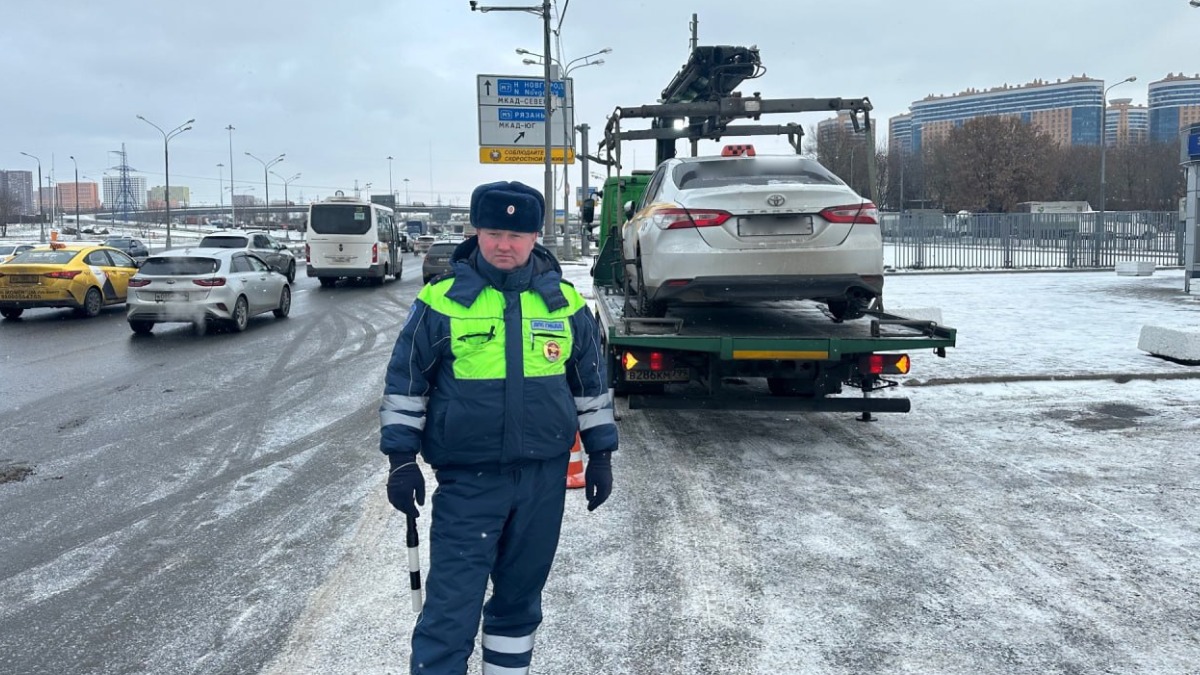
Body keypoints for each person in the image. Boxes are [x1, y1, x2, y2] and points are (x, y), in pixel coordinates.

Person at [379, 180, 618, 675]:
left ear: (536, 236)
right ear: (477, 232)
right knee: (450, 612)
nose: (503, 245)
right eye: (492, 232)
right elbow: (405, 387)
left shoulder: (565, 305)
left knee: (518, 605)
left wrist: (601, 454)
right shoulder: (441, 302)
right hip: (470, 483)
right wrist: (401, 461)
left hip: (542, 483)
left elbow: (591, 388)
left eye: (516, 233)